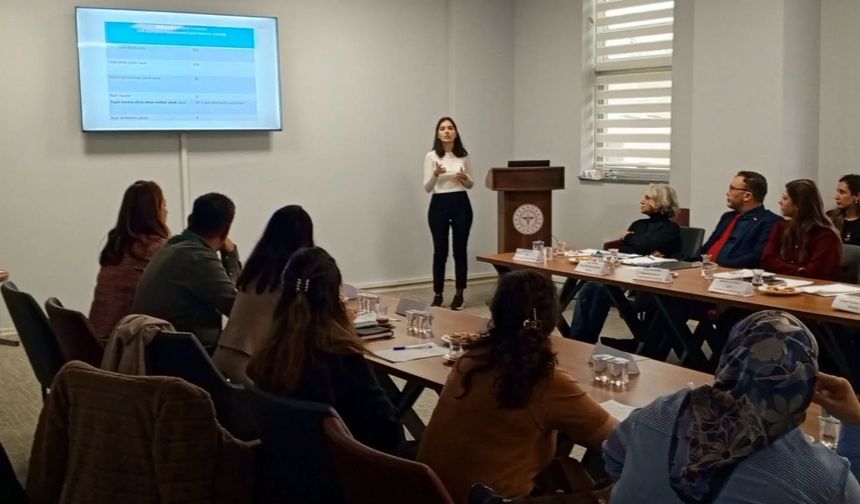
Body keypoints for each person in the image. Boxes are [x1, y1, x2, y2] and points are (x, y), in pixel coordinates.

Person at [603, 310, 860, 503]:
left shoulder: (662, 412)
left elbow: (613, 459)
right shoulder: (823, 477)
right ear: (806, 380)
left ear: (728, 360)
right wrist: (855, 422)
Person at [417, 270, 616, 503]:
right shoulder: (546, 382)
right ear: (553, 319)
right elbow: (621, 442)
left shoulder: (470, 360)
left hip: (431, 493)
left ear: (494, 312)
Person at [247, 246, 403, 453]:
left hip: (290, 471)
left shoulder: (268, 352)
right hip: (350, 473)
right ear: (334, 298)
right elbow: (389, 432)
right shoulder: (341, 356)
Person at [212, 205, 314, 383]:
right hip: (253, 368)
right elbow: (311, 324)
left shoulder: (256, 270)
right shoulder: (292, 278)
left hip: (221, 360)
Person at [568, 184, 681, 343]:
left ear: (659, 201)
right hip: (623, 270)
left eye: (647, 198)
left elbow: (644, 245)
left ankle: (585, 341)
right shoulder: (638, 224)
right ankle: (578, 340)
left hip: (646, 281)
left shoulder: (671, 228)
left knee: (602, 290)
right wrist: (640, 245)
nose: (642, 201)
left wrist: (630, 238)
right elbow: (627, 249)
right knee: (588, 288)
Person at [132, 193, 240, 350]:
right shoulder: (197, 258)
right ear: (225, 231)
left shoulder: (171, 247)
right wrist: (231, 254)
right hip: (188, 358)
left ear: (190, 220)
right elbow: (238, 311)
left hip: (158, 354)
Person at [89, 181, 170, 342]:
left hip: (94, 341)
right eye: (164, 205)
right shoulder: (158, 249)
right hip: (123, 348)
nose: (167, 211)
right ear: (155, 211)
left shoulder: (116, 246)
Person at [424, 116, 474, 310]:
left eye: (450, 128)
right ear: (438, 133)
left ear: (456, 132)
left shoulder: (463, 155)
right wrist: (436, 174)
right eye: (443, 128)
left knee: (460, 250)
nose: (447, 131)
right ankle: (438, 294)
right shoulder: (431, 156)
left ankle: (459, 293)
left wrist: (465, 178)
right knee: (440, 251)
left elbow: (471, 184)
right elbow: (427, 187)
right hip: (439, 203)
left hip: (461, 202)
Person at [696, 171, 781, 267]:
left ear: (747, 196)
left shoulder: (769, 221)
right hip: (705, 269)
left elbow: (756, 256)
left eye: (732, 189)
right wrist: (690, 262)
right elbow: (708, 246)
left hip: (733, 273)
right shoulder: (727, 217)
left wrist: (720, 266)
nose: (727, 193)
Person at [761, 179, 841, 280]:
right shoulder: (781, 227)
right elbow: (767, 260)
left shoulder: (825, 235)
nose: (780, 202)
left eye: (785, 198)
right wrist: (798, 270)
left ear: (798, 205)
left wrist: (783, 268)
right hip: (781, 285)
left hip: (813, 290)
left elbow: (815, 273)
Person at [827, 174, 860, 245]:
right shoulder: (829, 218)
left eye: (842, 192)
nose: (836, 197)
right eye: (837, 191)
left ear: (856, 196)